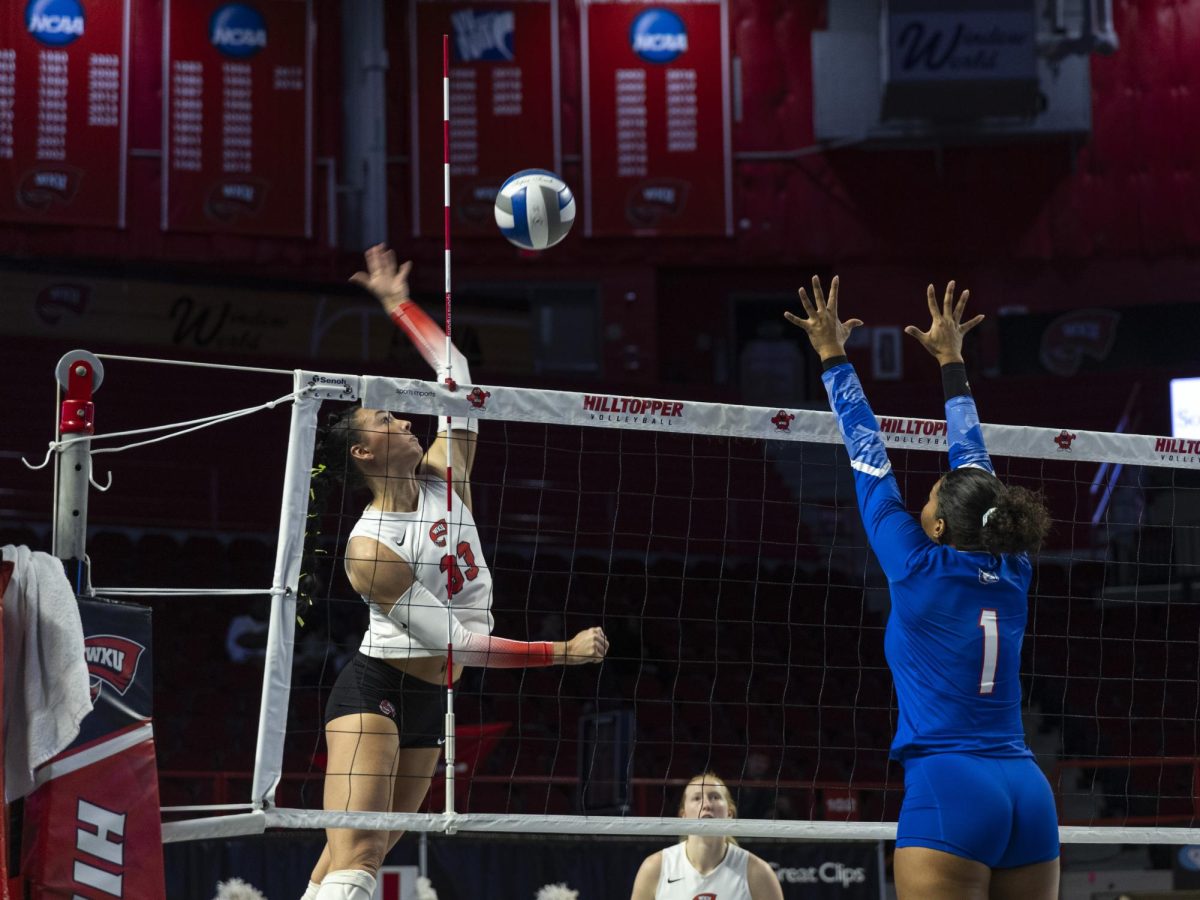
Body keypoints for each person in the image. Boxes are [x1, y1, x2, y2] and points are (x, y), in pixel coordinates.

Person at [302, 246, 610, 900]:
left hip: (431, 697)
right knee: (357, 851)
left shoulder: (449, 475)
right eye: (387, 419)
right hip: (376, 687)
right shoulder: (370, 550)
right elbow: (457, 642)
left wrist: (395, 304)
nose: (406, 419)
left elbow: (456, 373)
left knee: (359, 852)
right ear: (363, 450)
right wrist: (561, 653)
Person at [784, 277, 1058, 900]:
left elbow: (866, 449)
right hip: (1026, 786)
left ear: (935, 527)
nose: (921, 499)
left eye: (928, 498)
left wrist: (831, 355)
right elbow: (974, 467)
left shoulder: (917, 566)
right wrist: (953, 363)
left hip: (951, 785)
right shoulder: (1013, 568)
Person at [629, 773, 784, 900]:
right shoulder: (655, 867)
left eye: (715, 797)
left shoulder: (757, 872)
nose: (707, 805)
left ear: (729, 813)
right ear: (683, 815)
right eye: (697, 798)